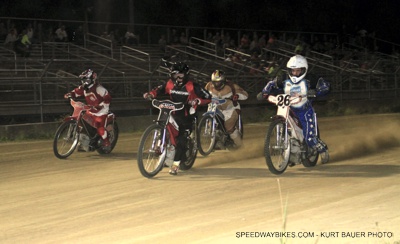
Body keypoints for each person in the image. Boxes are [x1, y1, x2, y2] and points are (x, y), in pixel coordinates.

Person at [258, 55, 330, 163]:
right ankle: (289, 150)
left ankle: (323, 150)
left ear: (304, 70)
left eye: (298, 71)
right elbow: (271, 84)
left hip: (305, 109)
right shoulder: (283, 77)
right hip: (287, 107)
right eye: (292, 70)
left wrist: (317, 91)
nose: (295, 73)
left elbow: (325, 86)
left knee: (309, 138)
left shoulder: (311, 78)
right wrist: (264, 92)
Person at [143, 62, 211, 175]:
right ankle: (164, 148)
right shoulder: (169, 84)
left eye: (181, 75)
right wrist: (150, 94)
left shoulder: (193, 86)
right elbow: (158, 90)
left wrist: (198, 101)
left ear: (186, 75)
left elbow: (208, 97)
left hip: (187, 115)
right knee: (167, 128)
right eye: (175, 75)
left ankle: (175, 164)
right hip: (173, 111)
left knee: (181, 139)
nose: (178, 78)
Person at [64, 69, 112, 149]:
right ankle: (85, 140)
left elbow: (108, 98)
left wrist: (101, 105)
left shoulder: (98, 88)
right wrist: (70, 94)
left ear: (92, 79)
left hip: (101, 112)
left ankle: (106, 142)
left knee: (100, 128)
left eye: (86, 80)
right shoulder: (84, 88)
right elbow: (76, 92)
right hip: (91, 110)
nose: (84, 82)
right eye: (83, 80)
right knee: (82, 121)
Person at [204, 70, 248, 148]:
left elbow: (245, 95)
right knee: (211, 120)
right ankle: (216, 139)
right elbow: (203, 93)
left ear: (223, 81)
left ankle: (240, 145)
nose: (216, 84)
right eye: (215, 82)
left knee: (229, 128)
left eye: (219, 82)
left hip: (230, 108)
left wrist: (237, 96)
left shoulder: (232, 86)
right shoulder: (209, 86)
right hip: (216, 107)